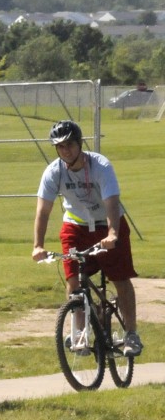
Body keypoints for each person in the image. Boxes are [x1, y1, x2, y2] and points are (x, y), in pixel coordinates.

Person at [31, 119, 141, 357]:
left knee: (120, 279)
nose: (65, 150)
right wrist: (38, 245)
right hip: (76, 227)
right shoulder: (53, 171)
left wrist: (113, 233)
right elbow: (43, 210)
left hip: (107, 224)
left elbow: (111, 203)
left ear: (80, 143)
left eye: (69, 144)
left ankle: (131, 333)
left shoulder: (100, 165)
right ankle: (79, 332)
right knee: (73, 279)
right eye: (59, 146)